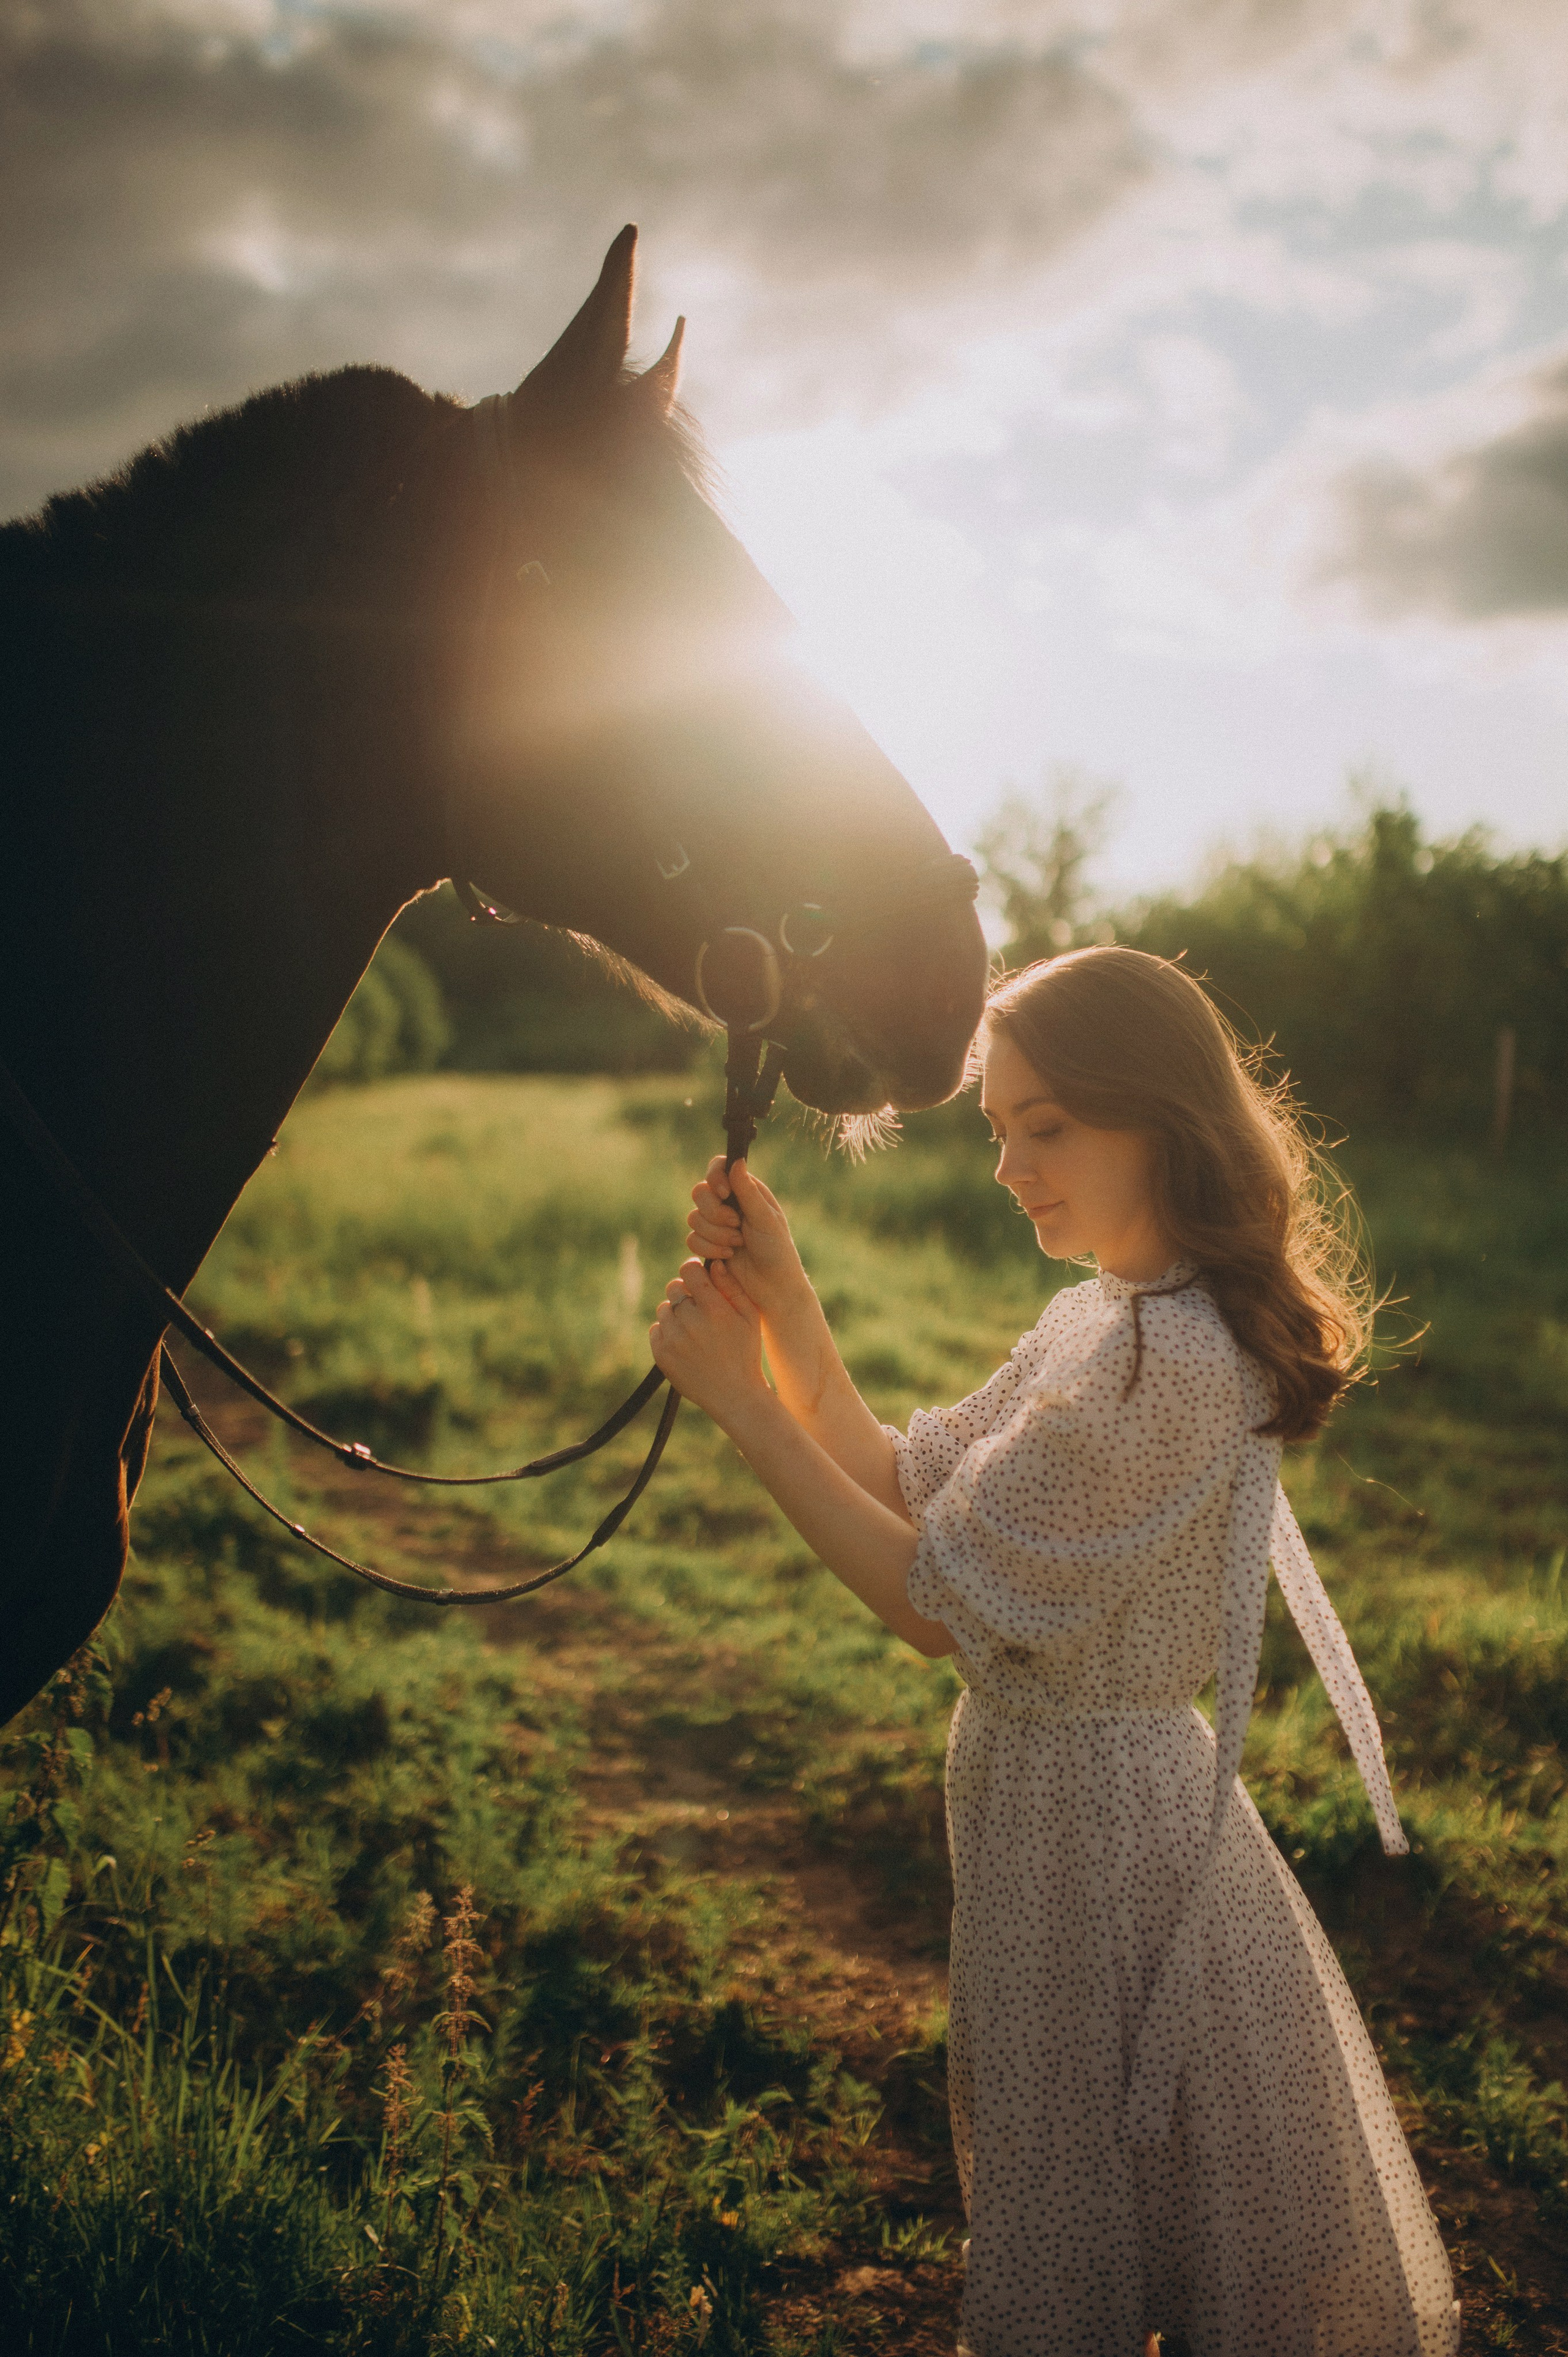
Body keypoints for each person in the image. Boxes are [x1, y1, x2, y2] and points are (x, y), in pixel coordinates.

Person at [650, 946, 1461, 2357]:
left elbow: (933, 1603)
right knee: (1060, 2155)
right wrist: (784, 1308)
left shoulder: (1175, 1364)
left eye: (1047, 1126)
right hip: (1042, 1819)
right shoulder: (1098, 1319)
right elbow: (914, 1487)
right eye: (997, 1128)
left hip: (1106, 1841)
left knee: (1110, 2187)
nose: (1008, 1164)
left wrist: (748, 1414)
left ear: (1159, 1117)